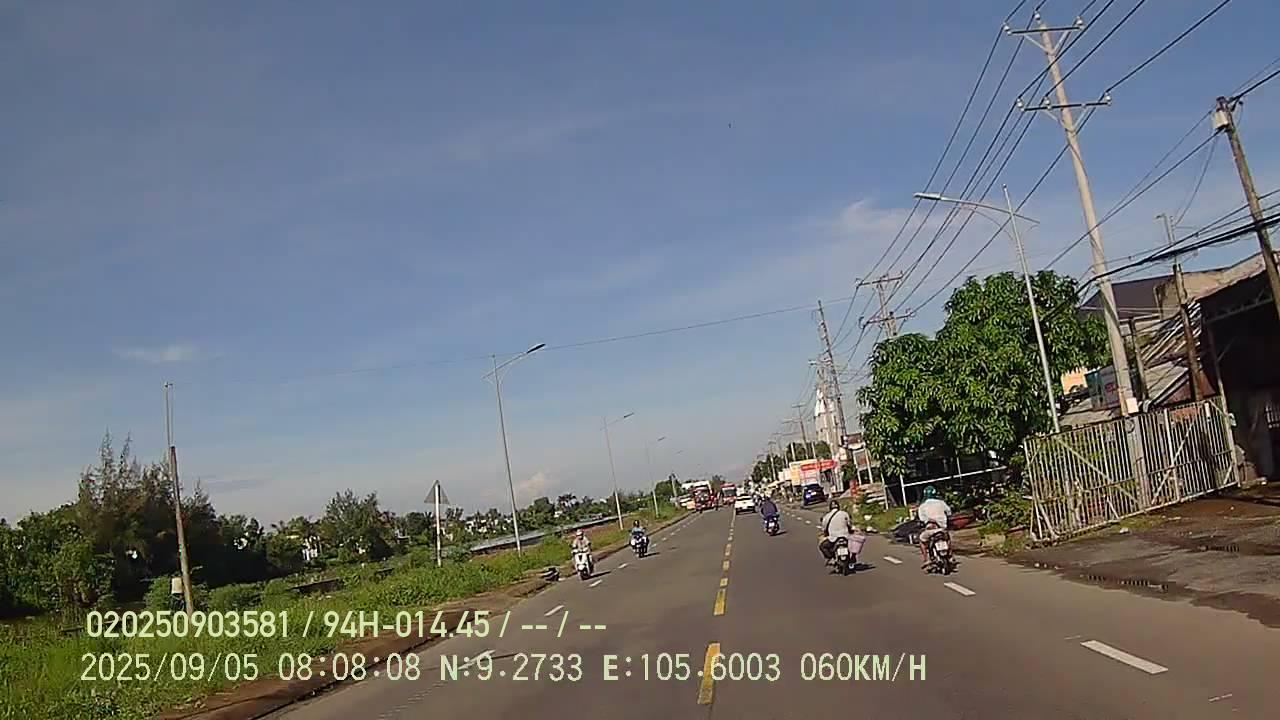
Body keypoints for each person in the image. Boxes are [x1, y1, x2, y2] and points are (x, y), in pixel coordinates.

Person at [916, 485, 953, 567]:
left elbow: (922, 519)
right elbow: (949, 512)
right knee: (947, 538)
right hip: (942, 528)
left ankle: (927, 559)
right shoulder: (941, 503)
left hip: (930, 529)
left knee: (922, 540)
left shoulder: (922, 506)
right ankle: (950, 555)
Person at [818, 499, 856, 563]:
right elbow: (849, 524)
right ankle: (853, 557)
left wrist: (824, 533)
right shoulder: (844, 513)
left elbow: (824, 528)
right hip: (845, 536)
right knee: (854, 544)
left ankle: (831, 558)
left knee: (822, 546)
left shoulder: (826, 516)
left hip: (833, 538)